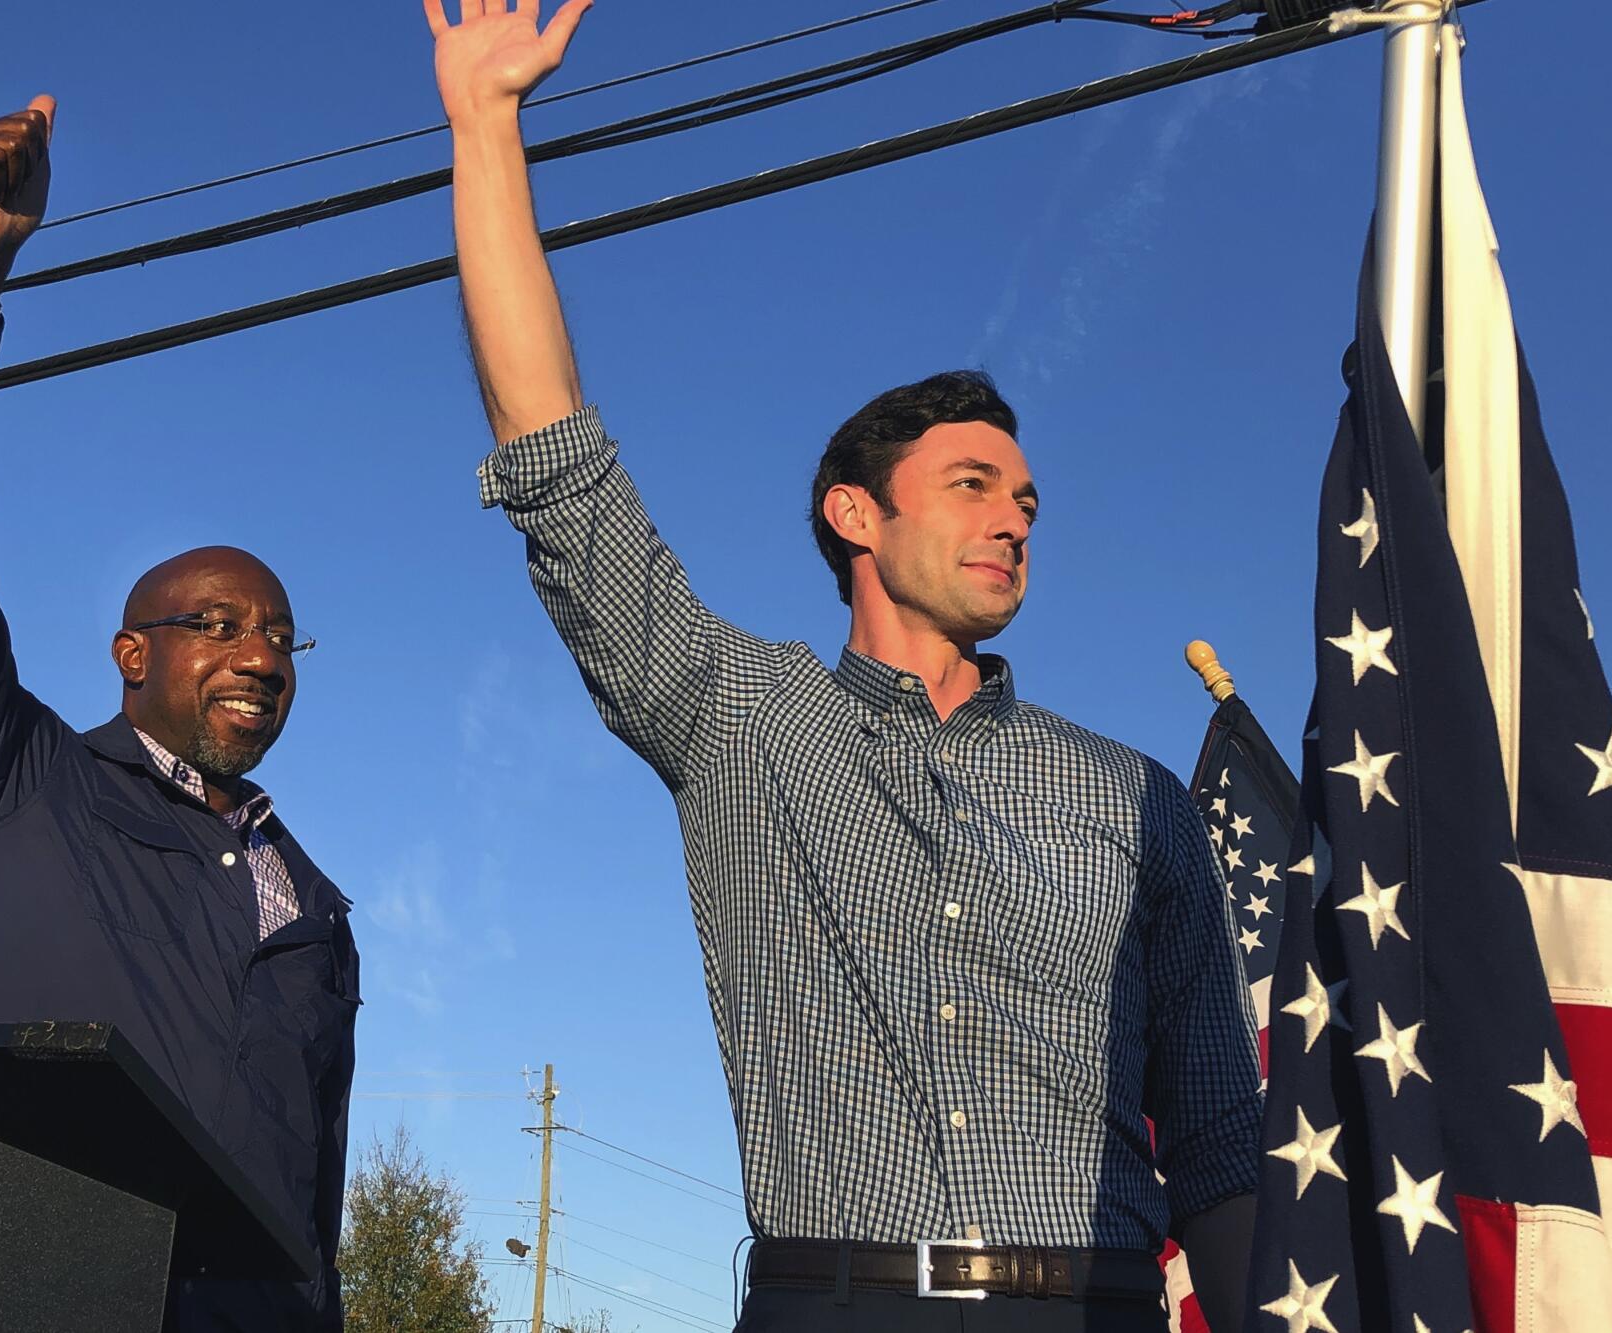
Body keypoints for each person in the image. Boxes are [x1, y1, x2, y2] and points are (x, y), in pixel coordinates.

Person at [424, 4, 1261, 1330]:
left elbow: (1218, 1144)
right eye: (974, 484)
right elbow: (554, 456)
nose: (1014, 519)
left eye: (1029, 501)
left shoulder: (1135, 797)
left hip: (1100, 1306)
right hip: (839, 1302)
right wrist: (486, 127)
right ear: (855, 515)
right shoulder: (742, 715)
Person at [0, 95, 358, 1332]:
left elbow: (308, 1194)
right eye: (221, 623)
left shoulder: (314, 906)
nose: (260, 653)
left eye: (280, 635)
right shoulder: (8, 779)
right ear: (133, 652)